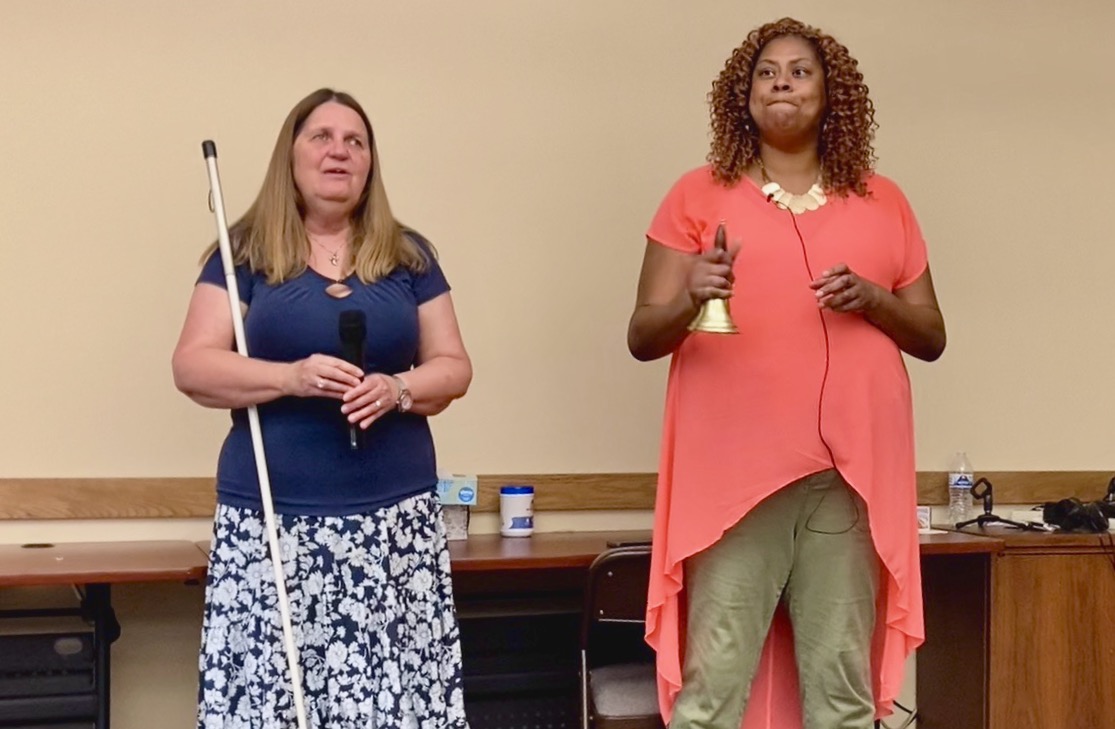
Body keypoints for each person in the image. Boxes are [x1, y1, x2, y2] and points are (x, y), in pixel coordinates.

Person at [627, 18, 945, 729]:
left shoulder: (883, 200)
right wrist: (691, 296)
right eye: (766, 71)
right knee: (712, 692)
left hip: (848, 481)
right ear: (742, 96)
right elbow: (641, 336)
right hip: (733, 487)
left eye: (800, 71)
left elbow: (931, 335)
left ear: (832, 95)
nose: (781, 81)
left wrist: (871, 298)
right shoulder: (695, 195)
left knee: (842, 694)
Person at [173, 88, 472, 729]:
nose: (339, 150)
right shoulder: (244, 253)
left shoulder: (409, 255)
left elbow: (453, 367)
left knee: (394, 700)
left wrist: (397, 389)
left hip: (394, 527)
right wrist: (289, 377)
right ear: (292, 155)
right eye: (322, 137)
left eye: (355, 141)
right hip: (273, 524)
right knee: (275, 701)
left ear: (370, 164)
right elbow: (192, 365)